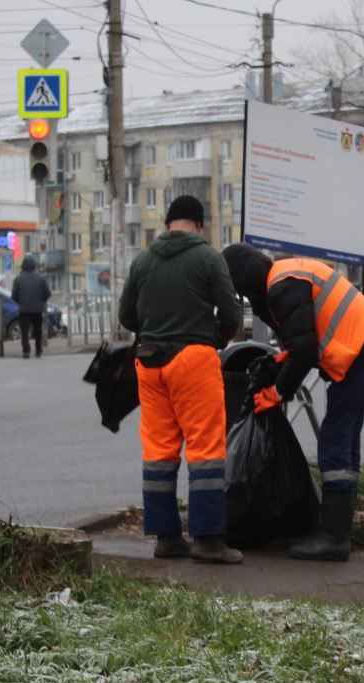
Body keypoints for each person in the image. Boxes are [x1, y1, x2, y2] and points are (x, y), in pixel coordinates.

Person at [221, 243, 364, 562]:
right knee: (344, 437)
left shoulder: (281, 287)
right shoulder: (284, 274)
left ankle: (335, 537)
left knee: (335, 440)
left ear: (243, 282)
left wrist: (277, 392)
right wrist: (285, 360)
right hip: (361, 343)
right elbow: (305, 339)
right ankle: (339, 528)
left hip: (357, 349)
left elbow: (305, 352)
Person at [119, 195, 244, 564]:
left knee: (159, 450)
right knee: (205, 449)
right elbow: (232, 313)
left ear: (167, 223)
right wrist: (214, 337)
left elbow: (127, 316)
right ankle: (208, 541)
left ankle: (167, 538)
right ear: (199, 225)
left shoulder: (143, 261)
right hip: (193, 360)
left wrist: (154, 328)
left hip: (149, 363)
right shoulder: (208, 257)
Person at [11, 256, 52, 359]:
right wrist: (41, 301)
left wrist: (21, 302)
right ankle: (38, 350)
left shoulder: (18, 279)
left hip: (24, 310)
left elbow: (14, 295)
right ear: (34, 266)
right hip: (37, 309)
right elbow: (48, 293)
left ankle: (26, 351)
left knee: (24, 331)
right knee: (38, 330)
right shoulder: (40, 279)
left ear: (23, 266)